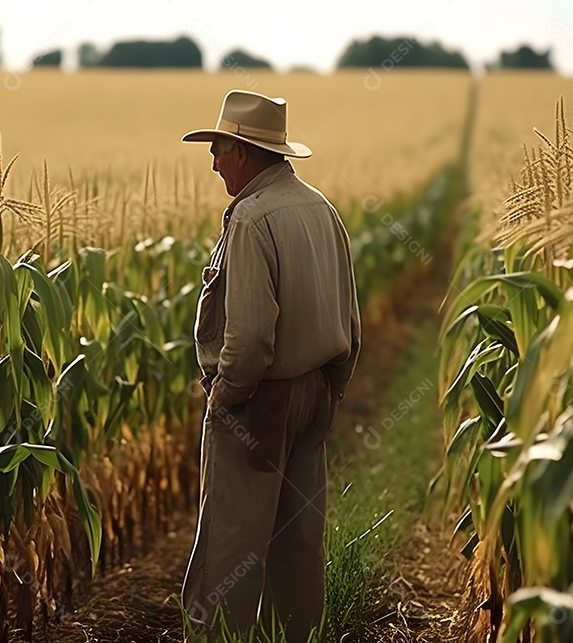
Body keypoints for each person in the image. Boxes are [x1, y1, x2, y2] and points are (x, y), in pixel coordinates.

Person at [179, 89, 361, 641]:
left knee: (230, 545)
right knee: (297, 541)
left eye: (218, 149)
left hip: (256, 401)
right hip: (314, 396)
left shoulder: (252, 219)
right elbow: (350, 321)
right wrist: (329, 389)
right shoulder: (320, 208)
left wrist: (225, 396)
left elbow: (251, 336)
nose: (213, 162)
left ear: (243, 152)